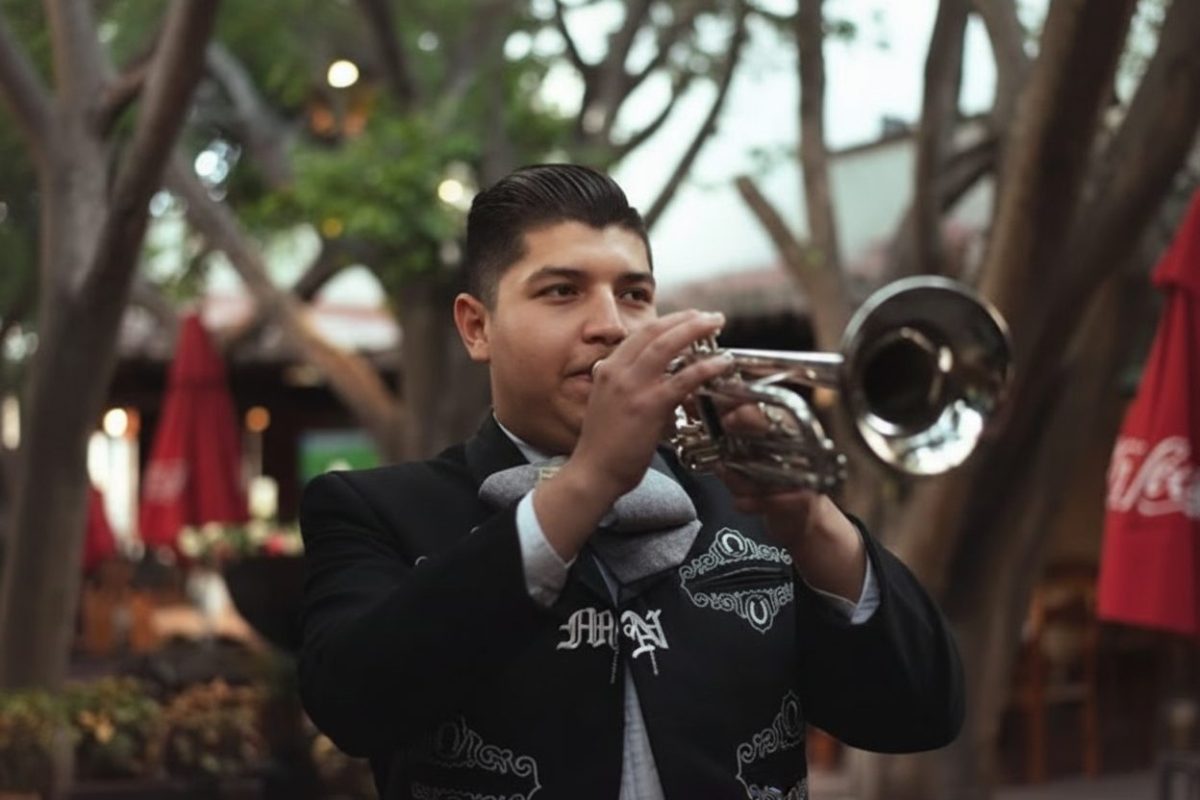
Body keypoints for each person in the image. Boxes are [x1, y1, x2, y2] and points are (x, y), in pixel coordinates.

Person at [298, 164, 964, 800]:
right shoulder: (375, 510)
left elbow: (920, 714)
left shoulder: (752, 502)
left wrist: (816, 524)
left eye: (634, 294)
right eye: (562, 291)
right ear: (477, 327)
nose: (612, 325)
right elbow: (353, 706)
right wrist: (591, 479)